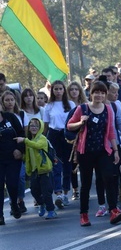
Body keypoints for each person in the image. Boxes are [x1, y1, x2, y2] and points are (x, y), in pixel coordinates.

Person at [67, 81, 121, 227]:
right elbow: (69, 125)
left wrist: (116, 151)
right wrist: (80, 123)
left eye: (102, 93)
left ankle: (113, 210)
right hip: (85, 151)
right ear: (91, 94)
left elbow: (111, 131)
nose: (99, 95)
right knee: (86, 183)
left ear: (105, 95)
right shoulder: (82, 108)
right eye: (96, 92)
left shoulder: (108, 109)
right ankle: (84, 214)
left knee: (108, 179)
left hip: (103, 151)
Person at [43, 80, 76, 208]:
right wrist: (43, 140)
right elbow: (46, 126)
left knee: (68, 165)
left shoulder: (71, 104)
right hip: (54, 135)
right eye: (55, 89)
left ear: (64, 90)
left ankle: (66, 192)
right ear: (52, 91)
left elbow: (75, 120)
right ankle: (58, 194)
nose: (58, 91)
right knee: (56, 165)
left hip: (67, 135)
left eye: (60, 89)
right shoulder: (49, 106)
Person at [17, 118, 56, 219]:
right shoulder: (30, 141)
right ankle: (41, 204)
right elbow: (27, 156)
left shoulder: (42, 139)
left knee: (46, 192)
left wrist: (25, 140)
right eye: (31, 126)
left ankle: (51, 210)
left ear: (40, 128)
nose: (33, 128)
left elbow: (38, 146)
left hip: (44, 170)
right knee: (34, 190)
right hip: (34, 171)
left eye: (36, 126)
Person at [0, 97, 24, 224]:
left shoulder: (10, 117)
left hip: (13, 157)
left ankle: (14, 204)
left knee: (12, 184)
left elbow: (21, 133)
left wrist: (19, 149)